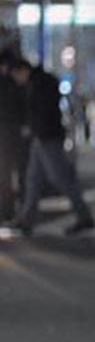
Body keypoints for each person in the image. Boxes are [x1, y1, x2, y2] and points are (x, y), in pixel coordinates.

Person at [10, 60, 95, 236]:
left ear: (23, 71)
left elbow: (44, 112)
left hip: (47, 138)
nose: (17, 81)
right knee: (33, 180)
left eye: (17, 76)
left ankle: (84, 216)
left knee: (60, 179)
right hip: (41, 137)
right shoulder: (41, 82)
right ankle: (26, 220)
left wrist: (34, 129)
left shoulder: (41, 84)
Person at [0, 50, 24, 223]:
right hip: (14, 133)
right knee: (18, 173)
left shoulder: (6, 83)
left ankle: (7, 211)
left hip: (7, 133)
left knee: (6, 174)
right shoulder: (14, 84)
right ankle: (12, 210)